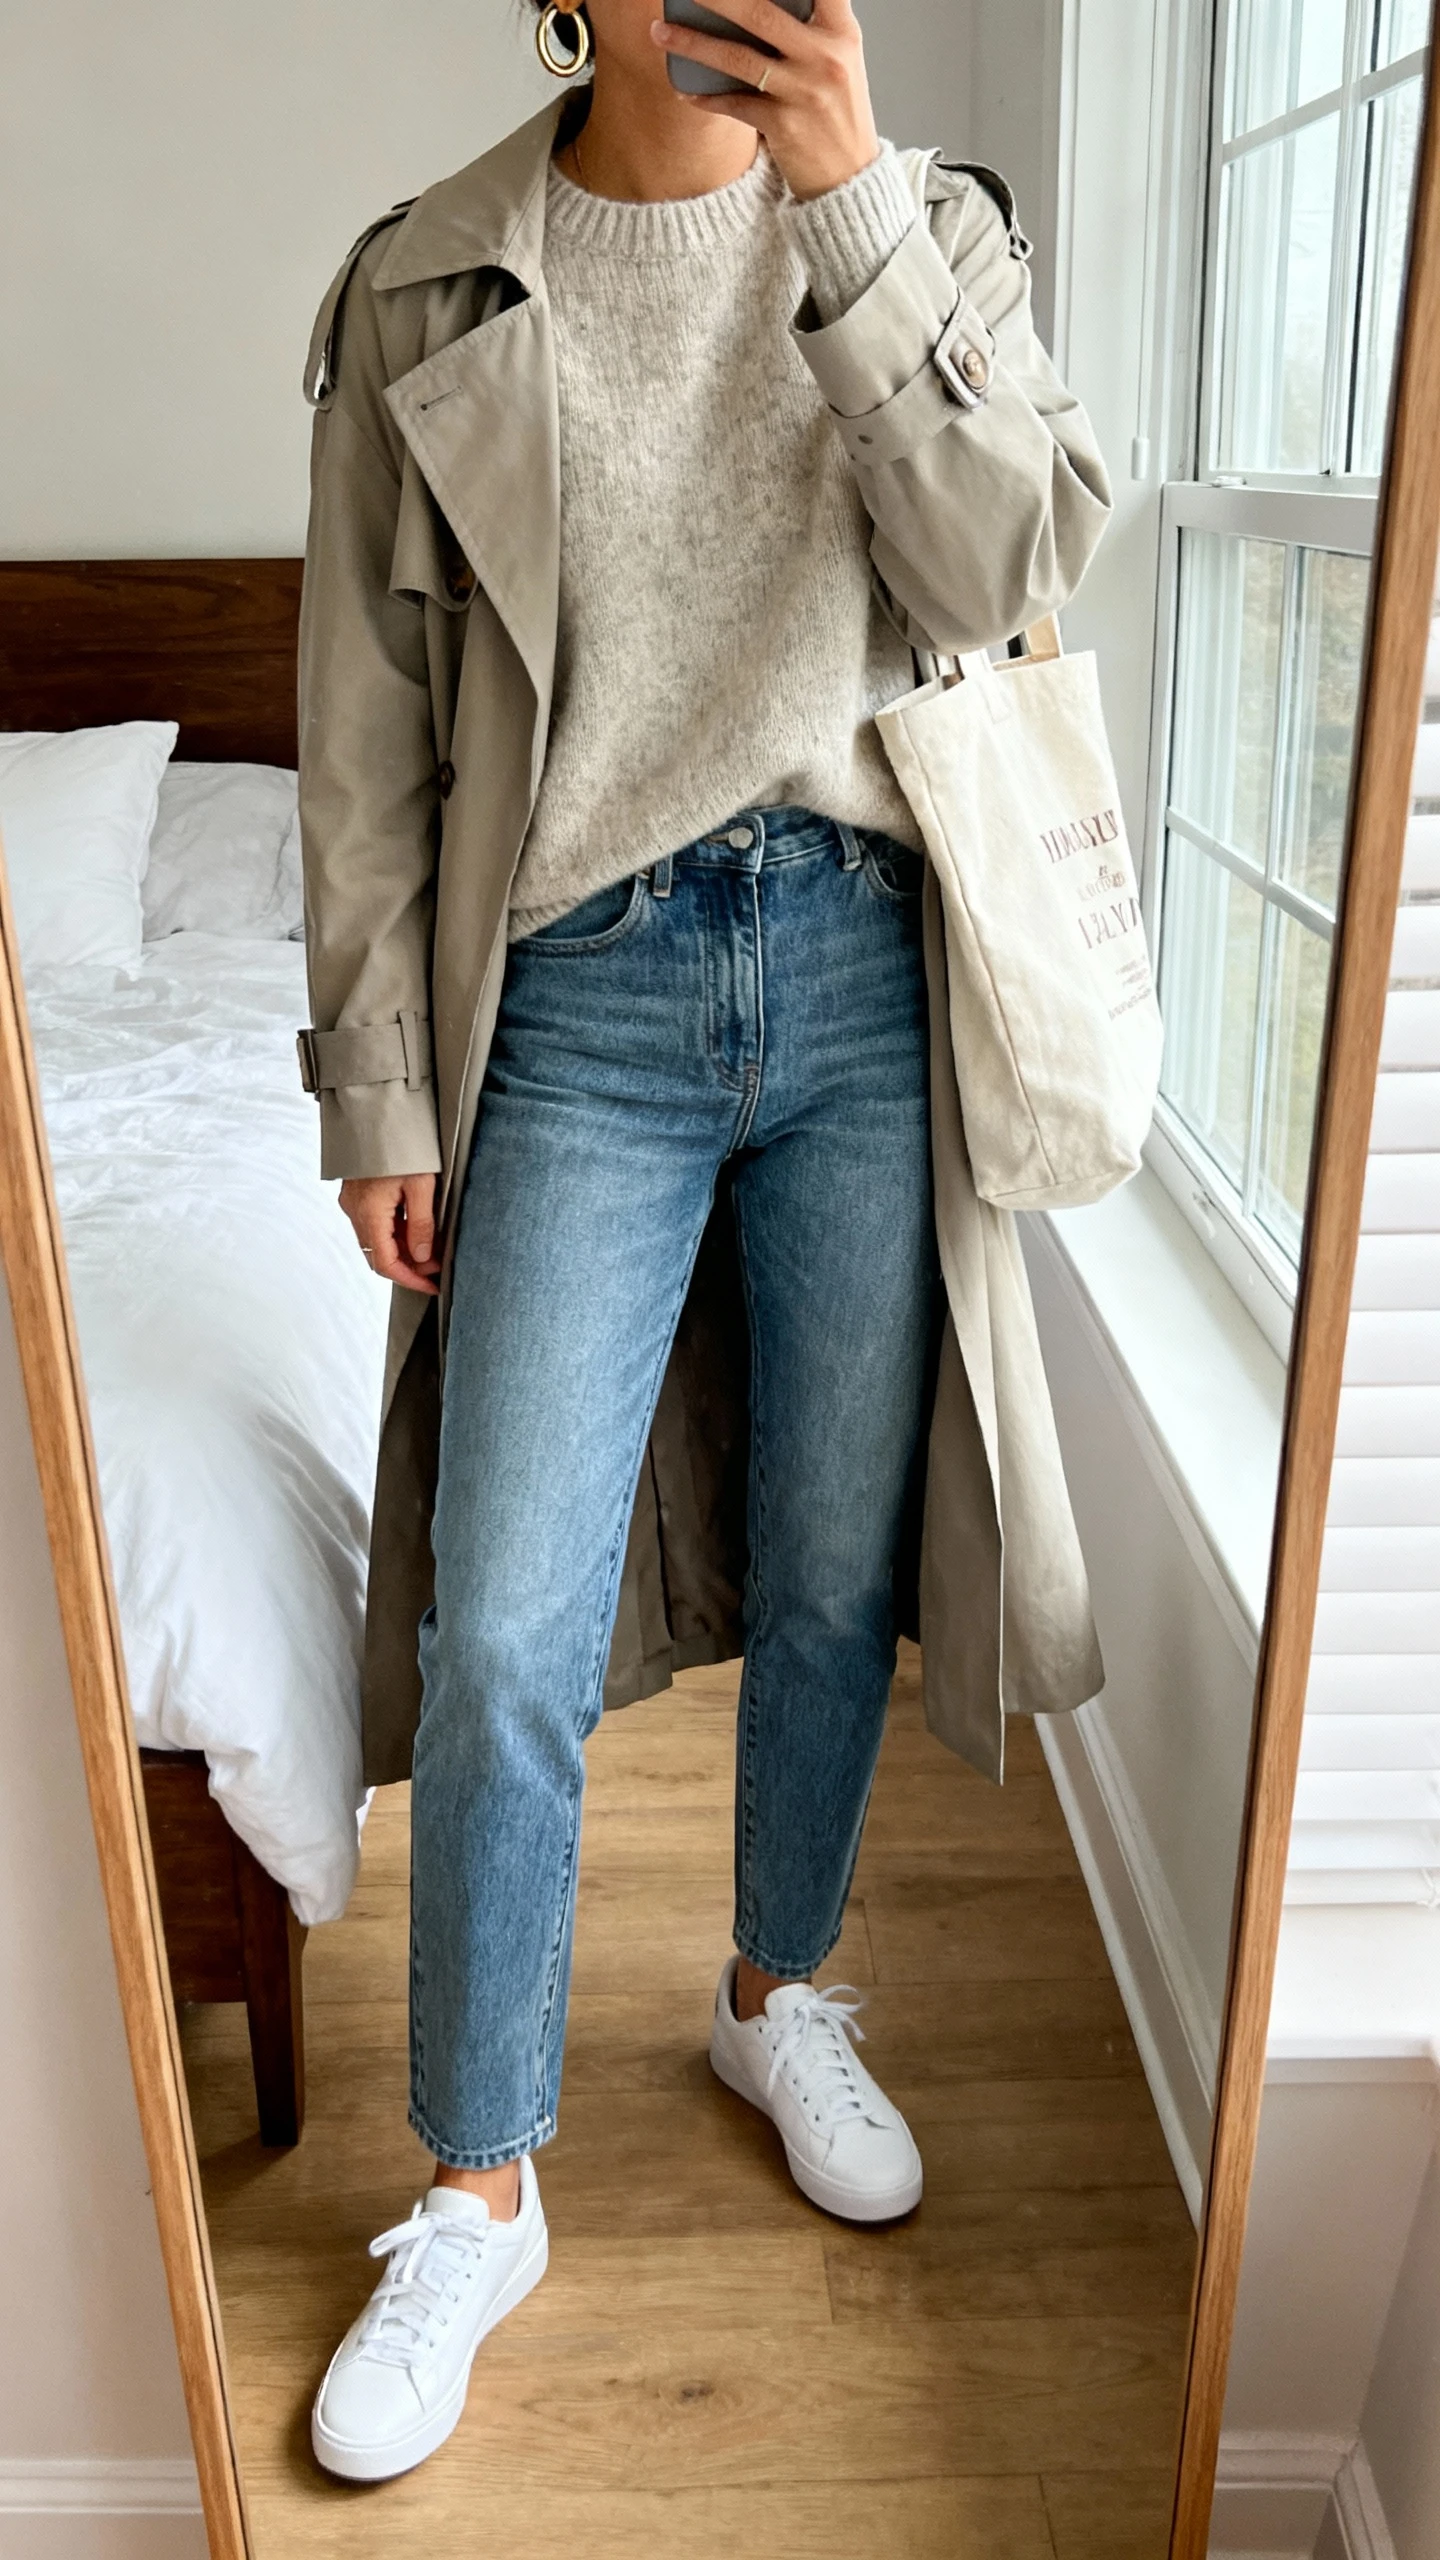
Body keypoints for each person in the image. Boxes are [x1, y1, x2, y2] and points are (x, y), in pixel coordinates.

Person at [296, 0, 1110, 2483]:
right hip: (580, 997)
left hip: (869, 958)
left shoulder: (935, 229)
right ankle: (475, 2172)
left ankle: (779, 1985)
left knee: (837, 1553)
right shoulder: (430, 282)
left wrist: (855, 207)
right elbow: (365, 737)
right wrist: (381, 1086)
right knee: (508, 1609)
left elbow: (1012, 557)